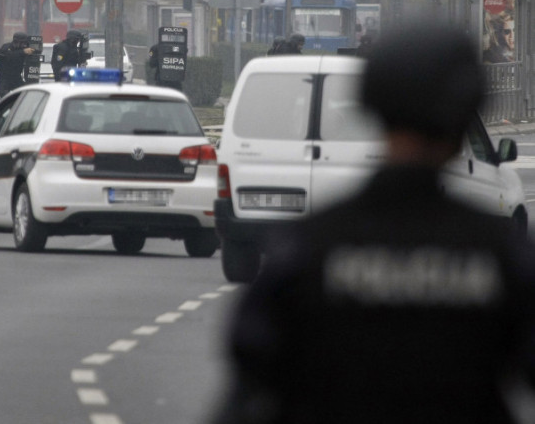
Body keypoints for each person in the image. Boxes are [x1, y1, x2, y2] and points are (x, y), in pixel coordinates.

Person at [212, 21, 535, 424]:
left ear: (371, 107)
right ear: (466, 114)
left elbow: (250, 387)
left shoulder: (308, 247)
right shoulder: (502, 255)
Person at [0, 31, 35, 97]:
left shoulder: (23, 49)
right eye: (22, 43)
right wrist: (23, 52)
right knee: (5, 96)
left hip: (16, 77)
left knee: (22, 95)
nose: (23, 45)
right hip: (4, 77)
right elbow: (8, 56)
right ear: (16, 41)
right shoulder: (6, 47)